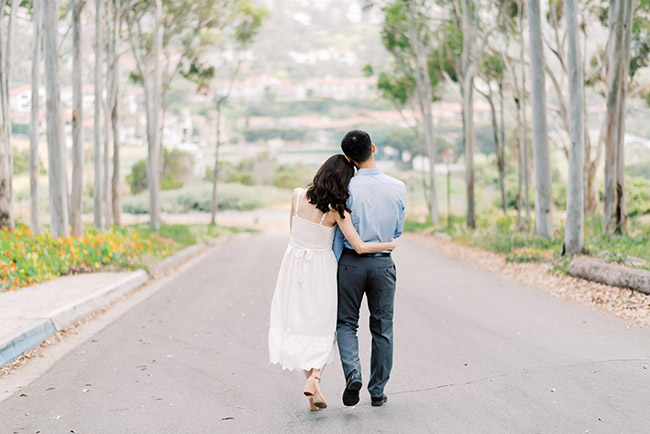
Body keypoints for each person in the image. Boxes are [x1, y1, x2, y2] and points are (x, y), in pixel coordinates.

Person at [268, 154, 397, 412]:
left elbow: (294, 233)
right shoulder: (337, 209)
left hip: (293, 265)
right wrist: (388, 244)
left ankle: (312, 394)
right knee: (324, 325)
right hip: (321, 269)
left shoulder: (296, 195)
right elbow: (359, 246)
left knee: (299, 322)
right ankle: (315, 376)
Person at [333, 130, 406, 408]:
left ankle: (353, 373)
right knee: (382, 327)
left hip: (350, 264)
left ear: (349, 159)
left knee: (346, 323)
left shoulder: (345, 188)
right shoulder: (398, 186)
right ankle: (377, 391)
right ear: (373, 148)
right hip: (382, 263)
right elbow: (397, 231)